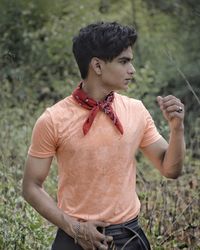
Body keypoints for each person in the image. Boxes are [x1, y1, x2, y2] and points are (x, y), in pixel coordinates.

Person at [22, 21, 185, 250]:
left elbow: (171, 170)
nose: (132, 70)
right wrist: (74, 229)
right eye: (124, 61)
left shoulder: (136, 110)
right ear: (97, 66)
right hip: (75, 237)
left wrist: (177, 129)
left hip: (129, 236)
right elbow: (31, 186)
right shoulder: (52, 119)